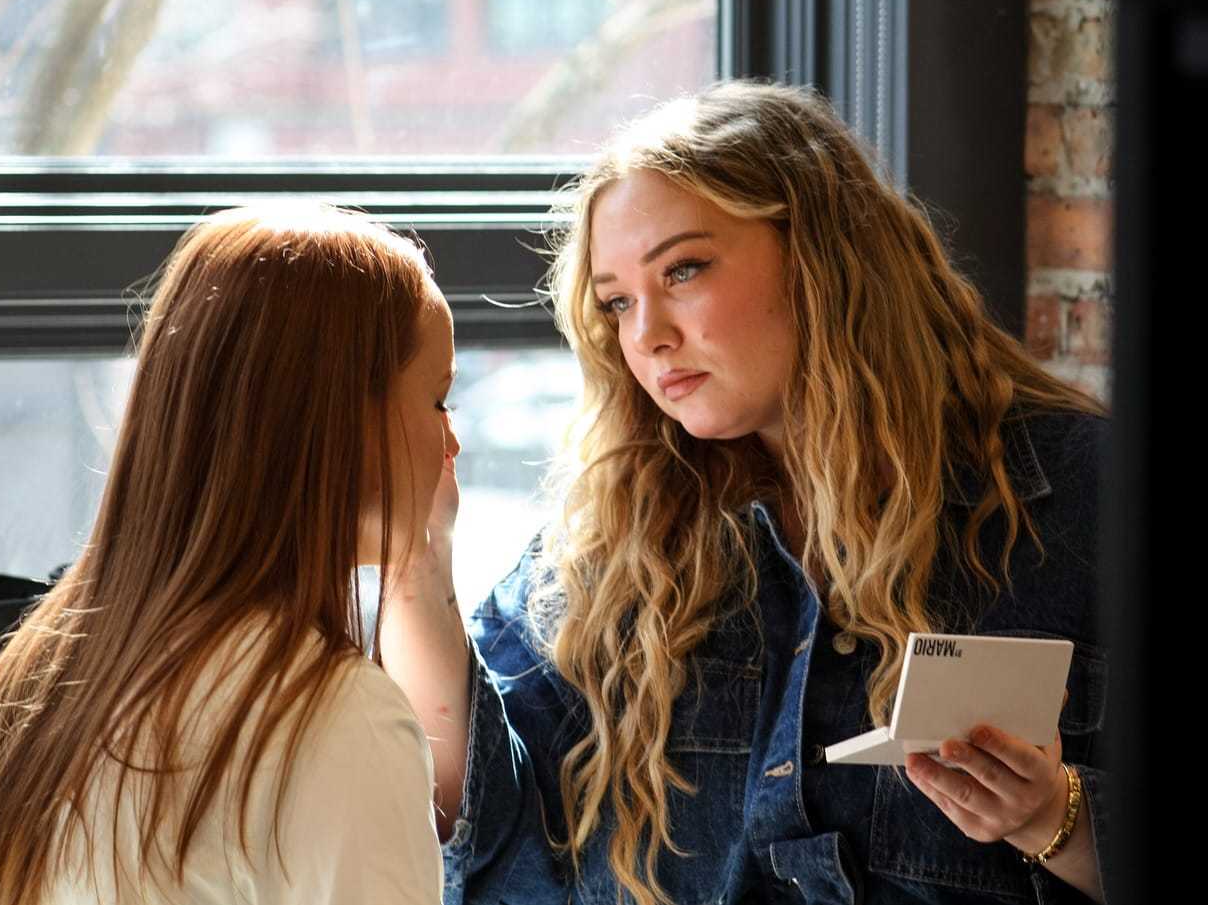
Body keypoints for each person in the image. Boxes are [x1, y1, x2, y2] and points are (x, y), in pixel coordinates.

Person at [380, 80, 1109, 905]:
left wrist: (1058, 815)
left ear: (821, 257)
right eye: (617, 302)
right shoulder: (615, 536)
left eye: (683, 270)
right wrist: (416, 554)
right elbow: (482, 824)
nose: (645, 335)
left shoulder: (1082, 494)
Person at [0, 204, 460, 905]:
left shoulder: (36, 686)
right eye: (439, 400)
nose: (452, 444)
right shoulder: (336, 720)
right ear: (339, 423)